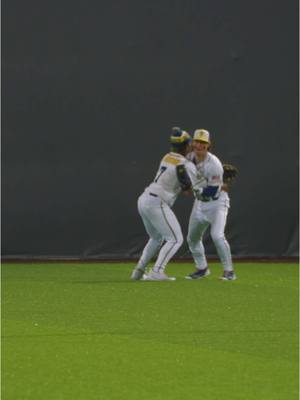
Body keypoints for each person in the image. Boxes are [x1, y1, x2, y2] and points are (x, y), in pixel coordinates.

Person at [131, 127, 203, 281]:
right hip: (157, 202)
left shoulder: (167, 156)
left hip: (144, 199)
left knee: (156, 238)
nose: (191, 146)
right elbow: (189, 191)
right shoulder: (186, 165)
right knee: (176, 239)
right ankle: (157, 271)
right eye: (189, 143)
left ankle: (138, 271)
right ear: (185, 146)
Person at [185, 129, 237, 281]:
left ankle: (229, 271)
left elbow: (212, 190)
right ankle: (202, 268)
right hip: (199, 204)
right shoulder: (189, 158)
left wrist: (193, 188)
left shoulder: (214, 164)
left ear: (208, 145)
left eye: (203, 143)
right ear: (193, 143)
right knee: (192, 238)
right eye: (197, 141)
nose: (199, 145)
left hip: (217, 203)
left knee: (217, 236)